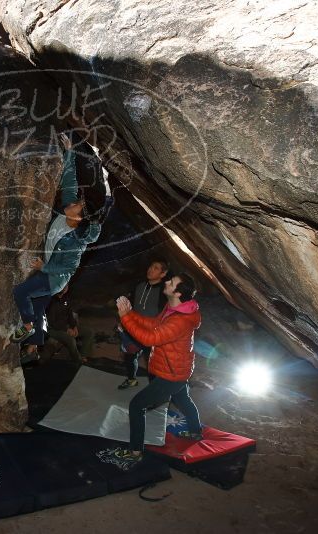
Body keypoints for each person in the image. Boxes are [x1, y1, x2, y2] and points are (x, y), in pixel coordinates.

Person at [11, 132, 111, 355]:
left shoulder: (75, 242)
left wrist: (43, 267)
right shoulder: (68, 209)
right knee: (38, 307)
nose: (74, 202)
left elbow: (69, 268)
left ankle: (27, 326)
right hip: (49, 272)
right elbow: (69, 181)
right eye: (76, 201)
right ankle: (34, 347)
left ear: (78, 217)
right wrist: (69, 153)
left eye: (77, 205)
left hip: (54, 278)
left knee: (21, 293)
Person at [107, 274, 203, 466]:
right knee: (182, 398)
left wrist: (126, 318)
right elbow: (155, 325)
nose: (166, 282)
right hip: (178, 369)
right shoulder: (174, 308)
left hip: (172, 374)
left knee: (137, 405)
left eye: (171, 283)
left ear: (177, 292)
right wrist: (131, 314)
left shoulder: (180, 320)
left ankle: (135, 452)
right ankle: (195, 432)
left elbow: (150, 339)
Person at [116, 258, 169, 389]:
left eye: (156, 268)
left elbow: (165, 314)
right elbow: (130, 307)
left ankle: (153, 392)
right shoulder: (139, 285)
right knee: (129, 355)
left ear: (163, 274)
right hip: (133, 329)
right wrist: (123, 322)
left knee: (151, 363)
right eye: (150, 266)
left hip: (151, 333)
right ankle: (131, 379)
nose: (150, 269)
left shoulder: (165, 291)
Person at [41, 284, 94, 364]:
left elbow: (70, 315)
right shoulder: (51, 301)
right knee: (71, 340)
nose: (65, 287)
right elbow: (52, 322)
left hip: (66, 326)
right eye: (63, 285)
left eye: (66, 286)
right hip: (52, 329)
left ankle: (83, 355)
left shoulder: (65, 299)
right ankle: (78, 360)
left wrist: (74, 326)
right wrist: (67, 330)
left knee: (89, 332)